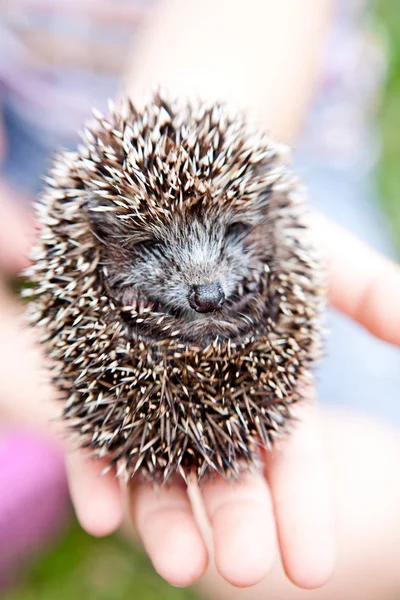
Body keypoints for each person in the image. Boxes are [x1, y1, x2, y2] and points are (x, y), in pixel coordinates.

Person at [0, 0, 399, 597]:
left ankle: (28, 386)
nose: (210, 292)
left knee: (370, 532)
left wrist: (201, 125)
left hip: (278, 112)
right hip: (20, 113)